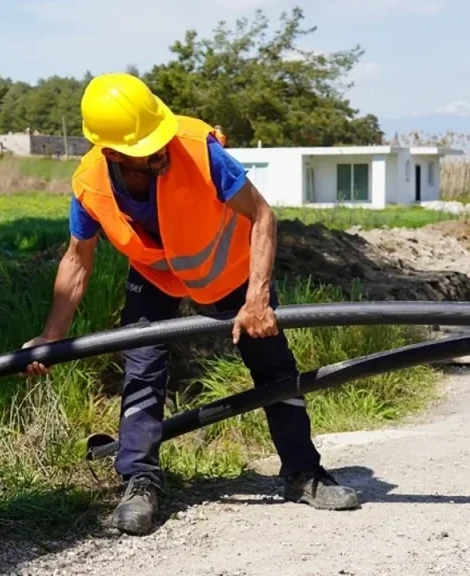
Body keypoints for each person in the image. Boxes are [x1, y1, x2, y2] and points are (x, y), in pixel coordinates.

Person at [21, 73, 360, 535]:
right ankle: (140, 481)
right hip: (155, 275)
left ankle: (304, 474)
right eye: (146, 150)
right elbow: (77, 260)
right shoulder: (90, 184)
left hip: (233, 272)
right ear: (113, 152)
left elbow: (262, 215)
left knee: (274, 367)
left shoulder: (199, 149)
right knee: (141, 367)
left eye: (159, 140)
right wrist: (51, 336)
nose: (161, 151)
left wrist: (258, 297)